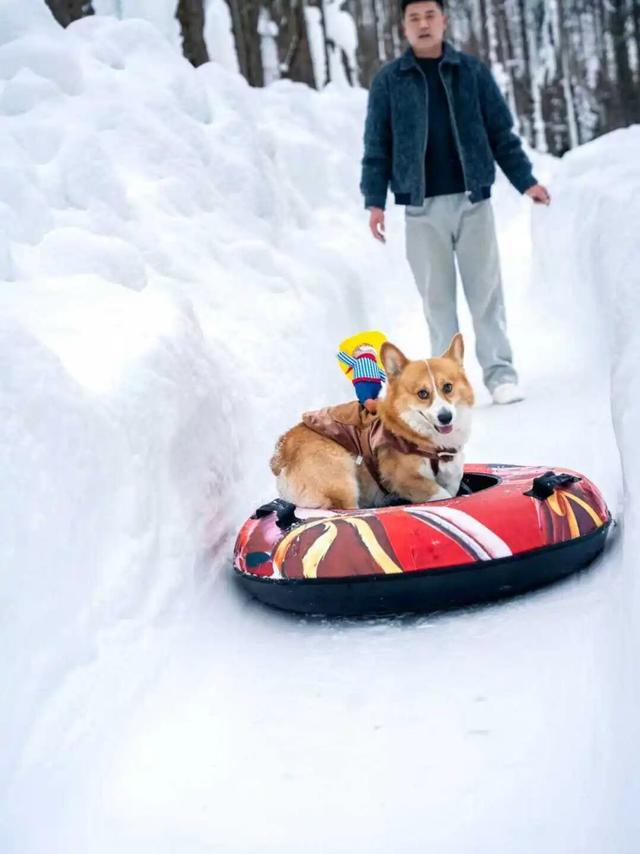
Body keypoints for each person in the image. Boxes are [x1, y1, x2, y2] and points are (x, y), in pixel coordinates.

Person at [360, 0, 551, 404]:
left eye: (430, 16)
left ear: (444, 21)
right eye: (414, 18)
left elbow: (501, 133)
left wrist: (526, 181)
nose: (423, 24)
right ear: (404, 28)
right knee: (438, 302)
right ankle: (450, 387)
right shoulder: (389, 82)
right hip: (421, 209)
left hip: (473, 202)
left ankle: (500, 374)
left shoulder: (471, 72)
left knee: (486, 294)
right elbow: (377, 145)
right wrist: (374, 200)